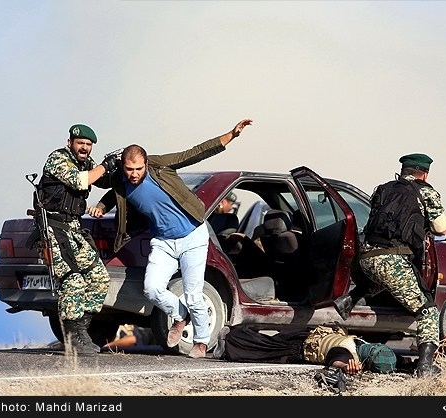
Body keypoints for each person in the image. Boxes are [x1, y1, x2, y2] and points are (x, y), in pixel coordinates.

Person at [87, 118, 253, 358]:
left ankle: (202, 341)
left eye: (139, 169)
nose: (134, 175)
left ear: (145, 163)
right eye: (129, 170)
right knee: (152, 288)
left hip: (192, 236)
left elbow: (193, 154)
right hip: (163, 241)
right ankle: (179, 315)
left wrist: (231, 135)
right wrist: (102, 205)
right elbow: (115, 194)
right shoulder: (120, 181)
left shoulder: (159, 166)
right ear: (123, 167)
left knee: (194, 294)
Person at [333, 153, 446, 378]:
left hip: (366, 257)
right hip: (392, 258)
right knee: (428, 312)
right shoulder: (425, 192)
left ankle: (350, 298)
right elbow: (441, 228)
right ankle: (425, 367)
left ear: (404, 170)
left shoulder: (382, 189)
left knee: (388, 281)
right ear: (424, 174)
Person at [32, 124, 119, 356]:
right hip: (53, 229)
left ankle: (81, 331)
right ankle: (71, 337)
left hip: (74, 229)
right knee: (73, 281)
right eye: (81, 143)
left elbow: (102, 181)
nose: (85, 148)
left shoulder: (87, 164)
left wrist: (118, 169)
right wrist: (105, 165)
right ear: (70, 141)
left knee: (99, 279)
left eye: (89, 145)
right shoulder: (58, 159)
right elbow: (81, 181)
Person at [212, 324, 412, 376]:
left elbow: (398, 360)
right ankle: (228, 340)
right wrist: (345, 367)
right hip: (296, 347)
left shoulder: (360, 344)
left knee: (265, 341)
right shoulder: (347, 352)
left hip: (307, 334)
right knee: (260, 349)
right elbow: (335, 359)